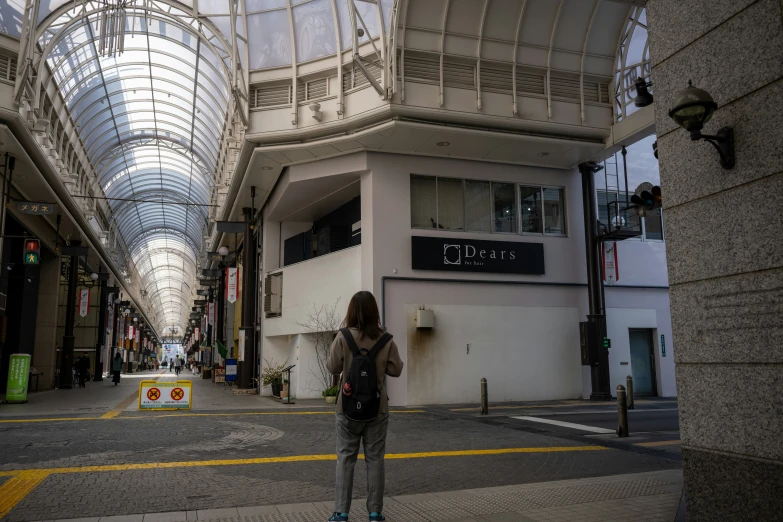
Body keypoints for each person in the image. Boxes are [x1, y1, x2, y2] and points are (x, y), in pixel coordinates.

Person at [326, 291, 403, 522]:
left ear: (351, 310)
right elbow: (396, 369)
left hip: (347, 409)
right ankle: (375, 512)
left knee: (345, 458)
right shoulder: (386, 339)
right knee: (375, 459)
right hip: (377, 410)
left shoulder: (343, 337)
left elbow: (332, 367)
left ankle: (341, 513)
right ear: (374, 311)